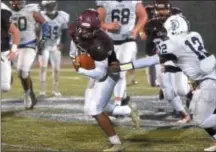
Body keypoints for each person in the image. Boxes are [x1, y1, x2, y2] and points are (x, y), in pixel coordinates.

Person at [109, 14, 216, 152]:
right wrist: (176, 68)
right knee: (196, 107)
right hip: (210, 76)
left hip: (208, 82)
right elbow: (190, 61)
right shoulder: (194, 35)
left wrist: (123, 67)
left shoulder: (172, 45)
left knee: (201, 119)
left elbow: (150, 60)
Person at [69, 9, 138, 151]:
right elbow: (74, 50)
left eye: (88, 30)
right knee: (90, 108)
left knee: (95, 109)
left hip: (109, 73)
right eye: (81, 28)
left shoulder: (102, 43)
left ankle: (117, 143)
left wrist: (80, 69)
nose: (83, 32)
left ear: (97, 29)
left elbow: (101, 73)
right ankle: (127, 110)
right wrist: (75, 59)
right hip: (96, 69)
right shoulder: (74, 31)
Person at [143, 0, 191, 123]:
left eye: (164, 9)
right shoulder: (151, 24)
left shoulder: (177, 20)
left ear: (169, 9)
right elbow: (149, 49)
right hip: (162, 59)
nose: (161, 12)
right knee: (167, 90)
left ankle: (192, 91)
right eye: (159, 10)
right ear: (155, 10)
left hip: (178, 58)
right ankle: (183, 114)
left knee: (182, 90)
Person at [96, 0, 148, 106]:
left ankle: (117, 102)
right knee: (109, 73)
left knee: (120, 70)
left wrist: (136, 29)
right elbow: (98, 21)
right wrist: (108, 25)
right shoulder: (105, 2)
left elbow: (143, 16)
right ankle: (123, 96)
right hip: (110, 42)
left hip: (128, 41)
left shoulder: (133, 2)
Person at [9, 0, 49, 109]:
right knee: (20, 73)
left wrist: (43, 38)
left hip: (28, 45)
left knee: (23, 71)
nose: (15, 3)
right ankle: (29, 91)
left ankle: (27, 95)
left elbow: (44, 23)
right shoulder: (6, 12)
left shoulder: (31, 9)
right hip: (13, 46)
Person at [38, 0, 70, 97]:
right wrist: (39, 43)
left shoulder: (62, 16)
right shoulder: (41, 15)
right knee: (43, 67)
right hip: (45, 44)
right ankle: (42, 90)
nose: (50, 7)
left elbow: (65, 31)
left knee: (56, 69)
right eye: (48, 5)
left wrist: (63, 43)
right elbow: (36, 30)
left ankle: (55, 89)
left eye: (51, 5)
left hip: (55, 45)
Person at [1, 7, 20, 92]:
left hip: (3, 51)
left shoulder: (3, 14)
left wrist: (13, 50)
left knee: (5, 87)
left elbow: (15, 31)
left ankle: (7, 75)